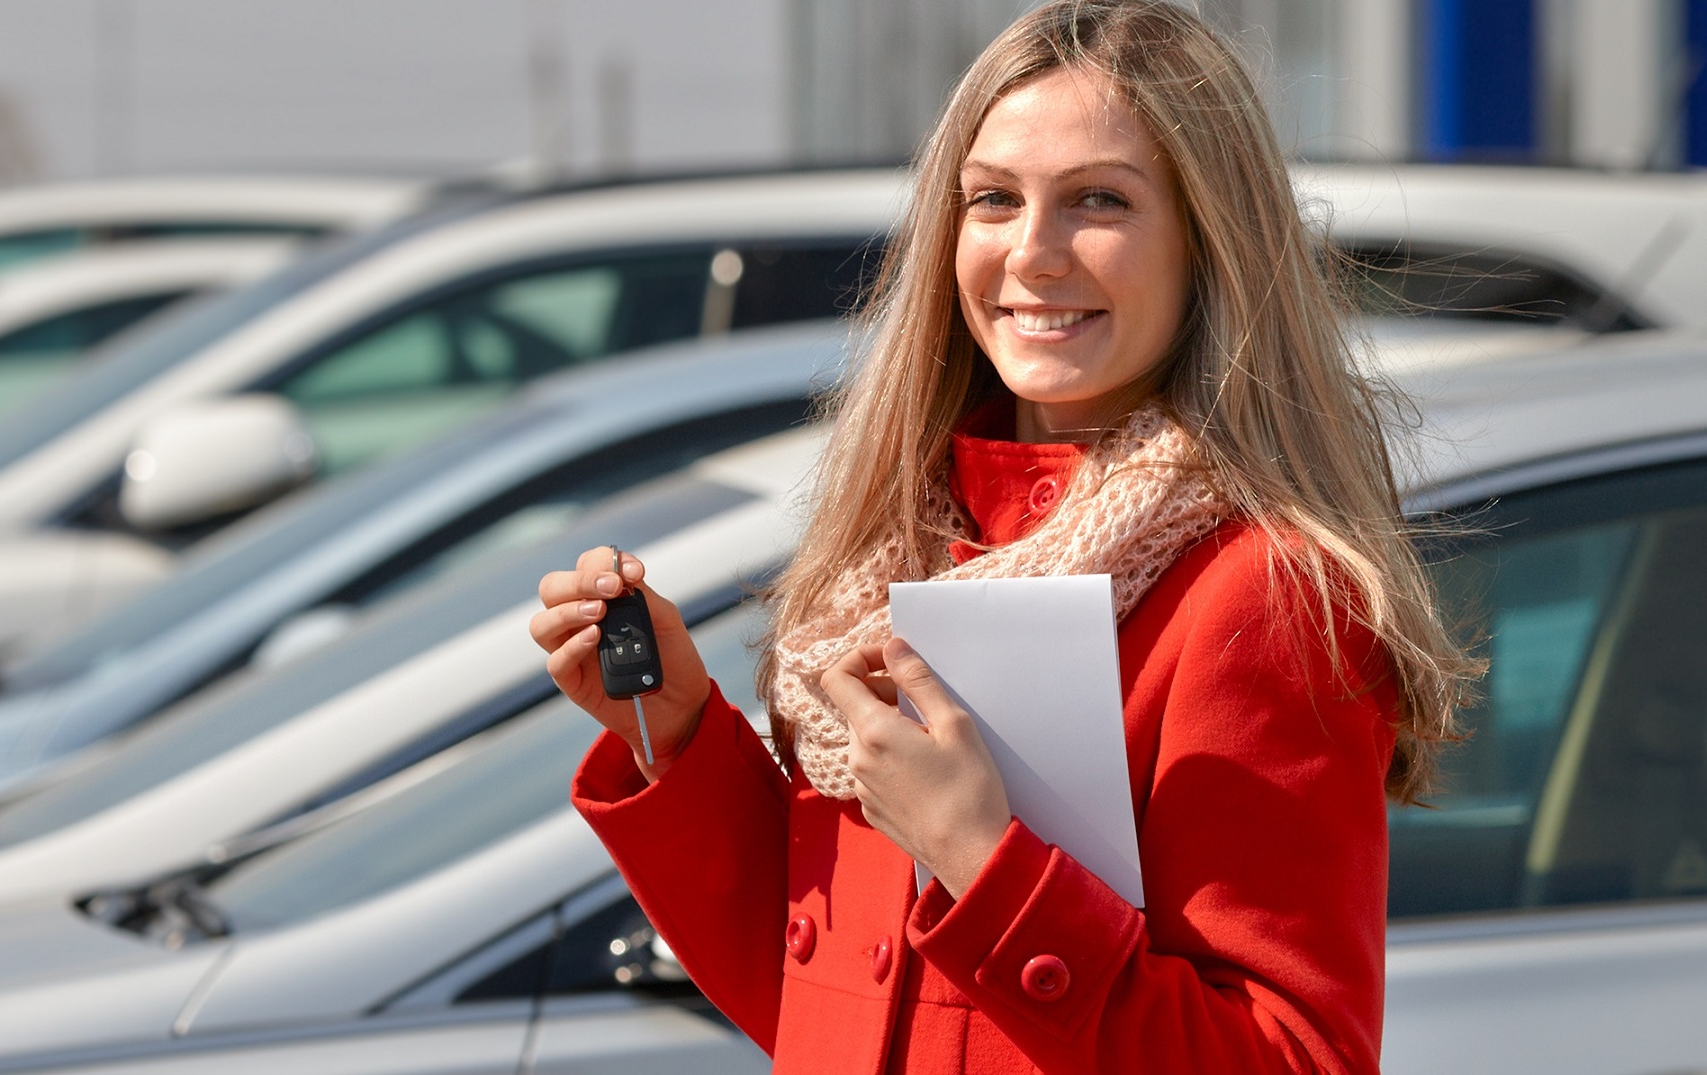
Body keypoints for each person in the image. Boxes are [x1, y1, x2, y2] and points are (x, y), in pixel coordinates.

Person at [528, 2, 1478, 1071]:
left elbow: (1295, 1059)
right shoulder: (895, 550)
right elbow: (827, 1014)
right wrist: (680, 731)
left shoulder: (1259, 593)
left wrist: (984, 862)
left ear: (1210, 240)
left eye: (1098, 201)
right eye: (993, 200)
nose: (1033, 253)